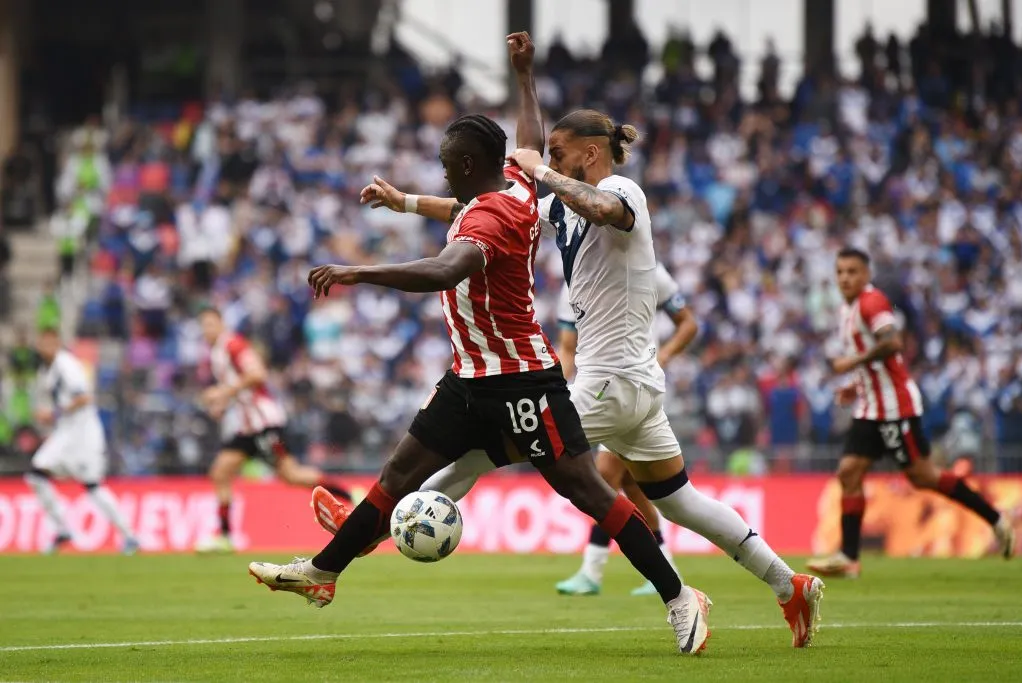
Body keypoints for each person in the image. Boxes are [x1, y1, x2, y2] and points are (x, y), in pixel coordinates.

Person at [248, 33, 712, 656]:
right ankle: (324, 573)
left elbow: (445, 271)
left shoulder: (486, 217)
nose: (442, 170)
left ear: (466, 167)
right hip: (469, 379)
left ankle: (681, 596)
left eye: (446, 163)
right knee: (399, 472)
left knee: (589, 492)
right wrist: (524, 80)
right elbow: (525, 145)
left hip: (522, 380)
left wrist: (358, 272)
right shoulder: (518, 190)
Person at [314, 107, 824, 648]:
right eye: (548, 153)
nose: (547, 161)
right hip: (633, 387)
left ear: (592, 152)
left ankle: (368, 529)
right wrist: (405, 202)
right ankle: (788, 584)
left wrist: (541, 169)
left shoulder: (624, 189)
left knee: (482, 445)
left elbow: (604, 207)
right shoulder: (560, 202)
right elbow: (484, 209)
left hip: (609, 381)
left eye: (558, 153)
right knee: (680, 501)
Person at [807, 248, 1015, 578]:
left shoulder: (872, 303)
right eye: (841, 271)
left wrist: (851, 364)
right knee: (849, 472)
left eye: (853, 271)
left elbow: (892, 343)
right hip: (870, 406)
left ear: (866, 275)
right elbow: (878, 360)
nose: (845, 277)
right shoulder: (847, 310)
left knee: (923, 476)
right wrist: (856, 385)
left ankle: (996, 519)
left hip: (894, 409)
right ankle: (848, 558)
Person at [554, 264, 697, 596]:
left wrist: (663, 356)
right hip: (594, 393)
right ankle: (666, 567)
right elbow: (568, 349)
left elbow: (688, 323)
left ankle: (592, 569)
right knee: (632, 485)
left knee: (605, 476)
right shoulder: (570, 284)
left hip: (634, 390)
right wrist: (556, 390)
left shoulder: (647, 269)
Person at [192, 306, 352, 554]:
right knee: (220, 471)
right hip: (247, 426)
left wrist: (223, 392)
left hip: (264, 423)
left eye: (211, 324)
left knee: (292, 475)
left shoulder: (234, 345)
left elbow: (257, 374)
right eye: (204, 326)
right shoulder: (217, 353)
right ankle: (225, 536)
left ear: (222, 324)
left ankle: (350, 496)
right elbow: (243, 389)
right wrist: (223, 403)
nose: (207, 330)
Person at [25, 330, 139, 554]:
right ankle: (62, 530)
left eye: (50, 342)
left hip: (83, 433)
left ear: (58, 343)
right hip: (65, 432)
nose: (46, 346)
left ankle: (129, 536)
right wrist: (49, 417)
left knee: (93, 485)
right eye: (42, 342)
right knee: (35, 475)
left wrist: (54, 414)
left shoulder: (67, 365)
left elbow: (85, 397)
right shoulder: (45, 371)